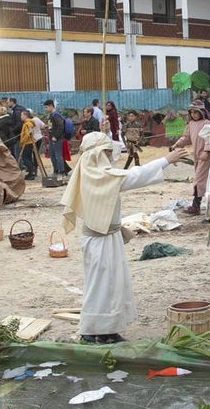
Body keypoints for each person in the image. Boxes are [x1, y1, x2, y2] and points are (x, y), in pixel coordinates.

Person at [59, 132, 187, 343]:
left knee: (113, 285)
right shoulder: (98, 176)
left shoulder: (96, 173)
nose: (111, 156)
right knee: (101, 286)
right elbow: (133, 176)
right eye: (107, 153)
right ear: (98, 155)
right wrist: (166, 160)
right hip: (99, 241)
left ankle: (107, 329)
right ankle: (92, 331)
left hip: (107, 238)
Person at [173, 100, 210, 215]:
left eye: (196, 112)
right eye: (191, 112)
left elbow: (209, 138)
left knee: (199, 180)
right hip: (196, 156)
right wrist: (176, 144)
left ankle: (196, 206)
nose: (194, 115)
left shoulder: (206, 123)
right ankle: (199, 204)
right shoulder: (191, 124)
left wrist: (206, 151)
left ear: (201, 112)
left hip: (205, 157)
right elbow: (186, 137)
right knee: (199, 180)